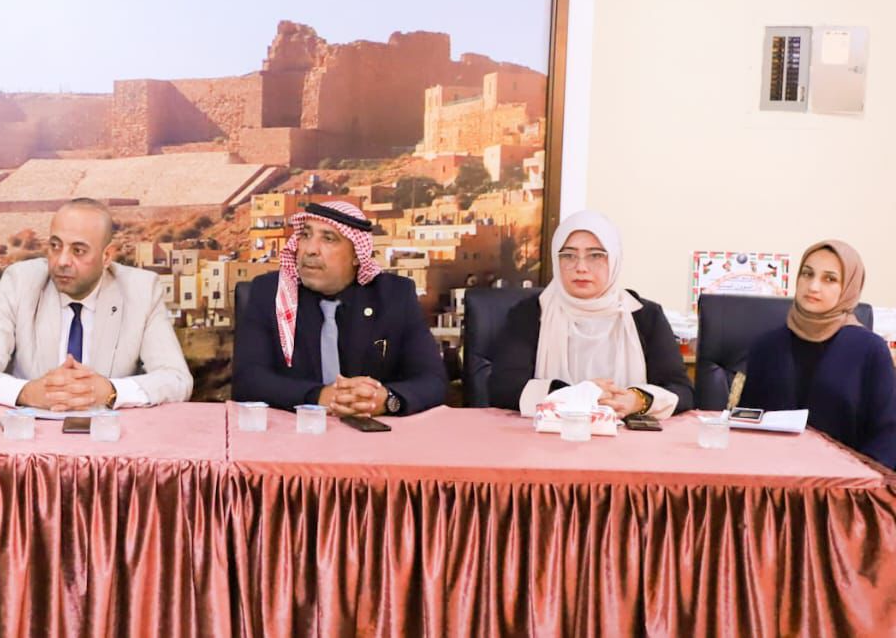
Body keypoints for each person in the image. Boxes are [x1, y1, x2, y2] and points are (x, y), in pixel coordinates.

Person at [0, 198, 192, 410]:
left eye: (78, 250)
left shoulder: (141, 290)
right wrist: (27, 393)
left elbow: (176, 379)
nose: (62, 261)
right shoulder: (20, 282)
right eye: (55, 246)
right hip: (32, 435)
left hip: (108, 437)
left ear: (107, 256)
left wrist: (110, 392)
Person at [233, 201, 446, 417]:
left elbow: (433, 380)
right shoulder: (271, 293)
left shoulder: (394, 296)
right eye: (305, 235)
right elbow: (248, 380)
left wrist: (387, 400)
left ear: (357, 255)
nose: (310, 250)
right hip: (297, 430)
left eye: (328, 239)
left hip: (372, 431)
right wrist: (317, 397)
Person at [488, 210, 693, 417]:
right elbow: (503, 389)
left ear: (614, 259)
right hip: (550, 432)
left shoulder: (645, 316)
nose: (581, 267)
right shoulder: (530, 313)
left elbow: (681, 391)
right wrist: (577, 395)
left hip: (625, 433)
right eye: (568, 255)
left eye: (596, 255)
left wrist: (638, 400)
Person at [742, 240, 896, 467]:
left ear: (849, 287)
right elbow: (746, 424)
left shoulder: (870, 350)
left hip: (845, 481)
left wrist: (857, 479)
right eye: (807, 274)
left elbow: (888, 436)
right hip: (770, 477)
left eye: (829, 279)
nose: (813, 286)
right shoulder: (766, 347)